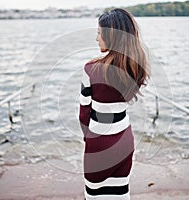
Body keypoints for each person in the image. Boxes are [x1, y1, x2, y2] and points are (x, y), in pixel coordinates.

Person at [79, 8, 150, 199]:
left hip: (99, 143)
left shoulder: (90, 69)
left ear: (112, 36)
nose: (97, 39)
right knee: (120, 193)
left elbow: (84, 115)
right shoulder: (136, 67)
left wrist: (91, 141)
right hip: (125, 140)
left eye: (99, 33)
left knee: (94, 194)